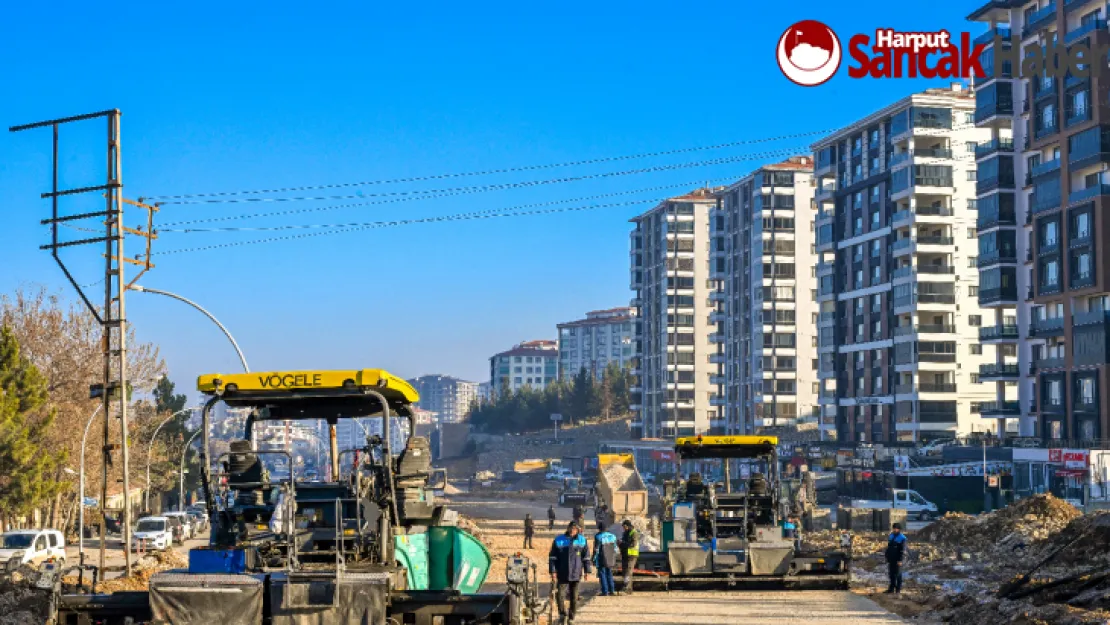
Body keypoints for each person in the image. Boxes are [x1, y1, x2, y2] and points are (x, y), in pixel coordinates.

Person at [549, 521, 591, 625]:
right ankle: (562, 614)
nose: (572, 531)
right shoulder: (559, 540)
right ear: (568, 528)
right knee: (560, 595)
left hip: (576, 573)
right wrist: (553, 571)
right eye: (571, 529)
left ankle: (572, 616)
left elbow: (586, 557)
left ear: (578, 530)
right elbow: (553, 558)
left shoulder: (582, 541)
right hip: (562, 572)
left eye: (575, 529)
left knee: (574, 596)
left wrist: (587, 571)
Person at [593, 524, 619, 597]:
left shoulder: (598, 536)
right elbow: (616, 549)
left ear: (600, 529)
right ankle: (612, 591)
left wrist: (594, 558)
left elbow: (596, 549)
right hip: (611, 559)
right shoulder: (613, 536)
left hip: (602, 559)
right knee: (609, 574)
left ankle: (605, 591)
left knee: (602, 575)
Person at [618, 519, 640, 595]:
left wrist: (623, 543)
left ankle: (627, 588)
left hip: (632, 555)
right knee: (625, 572)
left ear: (628, 526)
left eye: (624, 526)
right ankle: (628, 588)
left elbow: (633, 544)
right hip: (625, 554)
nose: (624, 528)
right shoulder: (625, 533)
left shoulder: (634, 533)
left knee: (628, 572)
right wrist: (620, 543)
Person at [885, 523, 907, 594]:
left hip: (898, 559)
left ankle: (898, 590)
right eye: (893, 528)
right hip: (891, 559)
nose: (894, 529)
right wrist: (887, 556)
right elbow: (889, 547)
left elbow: (903, 550)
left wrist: (900, 560)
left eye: (896, 528)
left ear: (899, 529)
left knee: (898, 574)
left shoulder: (902, 538)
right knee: (891, 574)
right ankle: (891, 588)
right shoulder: (891, 536)